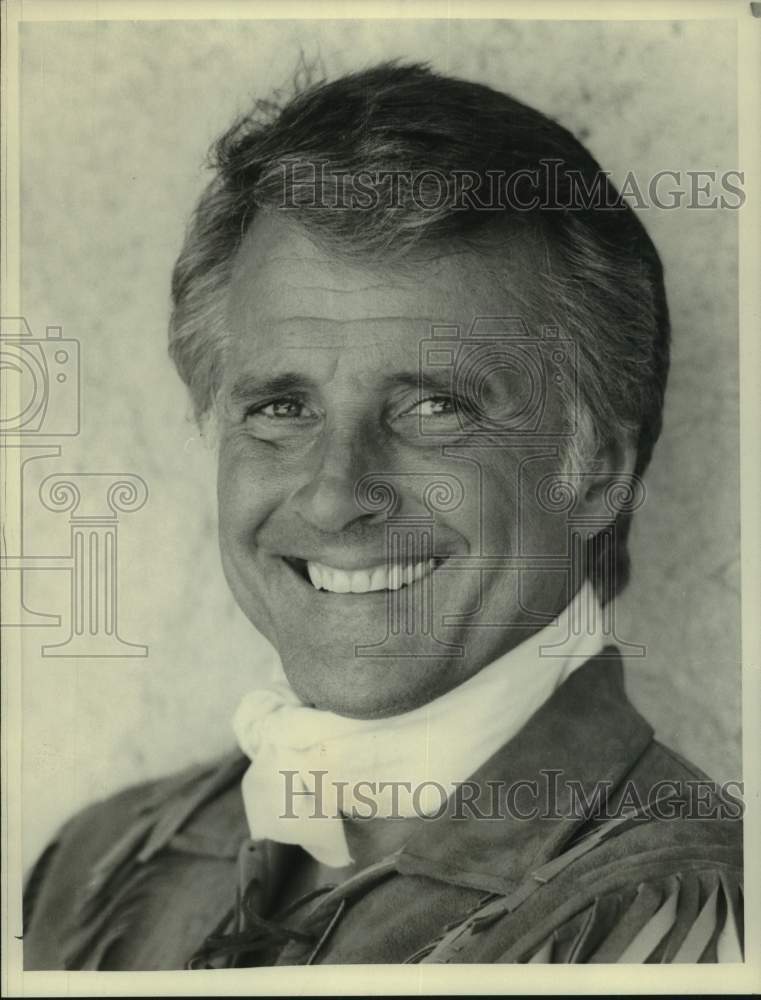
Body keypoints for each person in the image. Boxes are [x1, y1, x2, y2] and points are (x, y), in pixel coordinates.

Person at [23, 62, 742, 969]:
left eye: (434, 407)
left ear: (597, 471)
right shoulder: (97, 865)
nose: (333, 494)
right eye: (281, 409)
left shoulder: (676, 910)